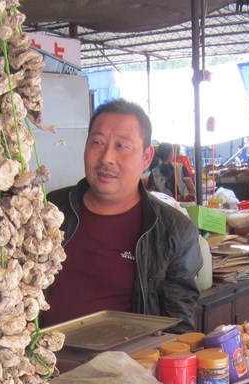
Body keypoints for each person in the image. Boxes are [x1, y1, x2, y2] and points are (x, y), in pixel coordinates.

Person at [44, 99, 203, 332]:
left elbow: (177, 331)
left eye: (122, 146)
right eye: (97, 142)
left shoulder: (174, 231)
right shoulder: (48, 210)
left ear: (147, 158)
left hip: (128, 366)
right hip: (38, 365)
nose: (107, 157)